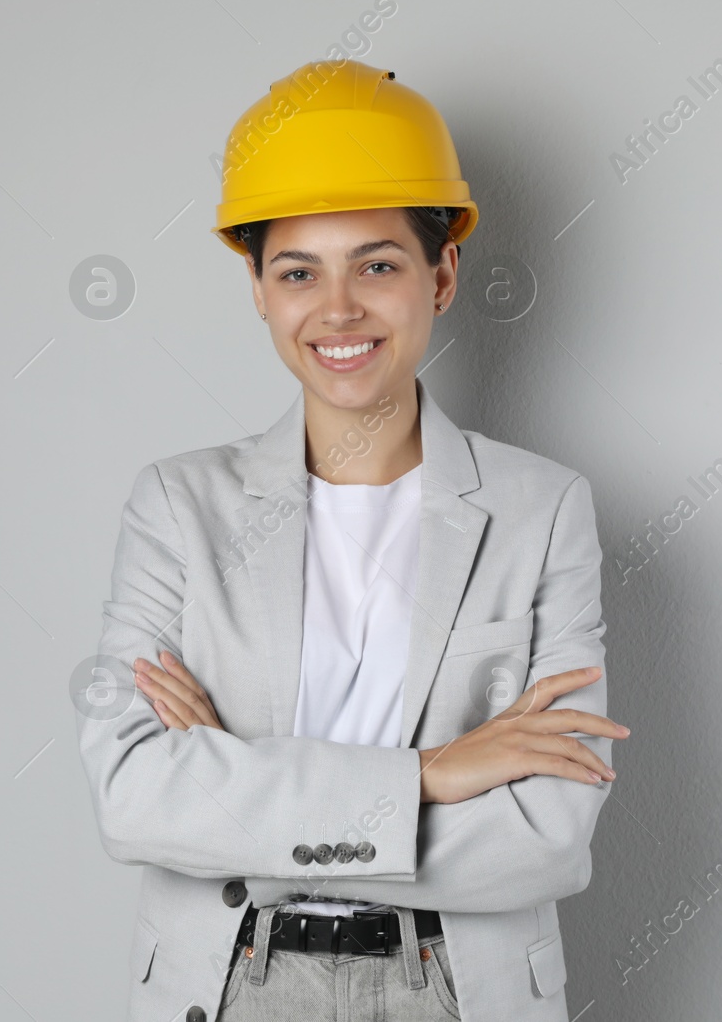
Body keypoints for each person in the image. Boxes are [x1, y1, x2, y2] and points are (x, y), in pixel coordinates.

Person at [76, 58, 630, 1022]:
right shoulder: (177, 505)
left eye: (377, 264)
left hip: (452, 988)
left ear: (442, 273)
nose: (337, 310)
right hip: (232, 981)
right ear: (257, 287)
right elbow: (133, 794)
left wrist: (243, 799)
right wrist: (433, 775)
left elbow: (545, 832)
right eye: (298, 272)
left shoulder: (545, 509)